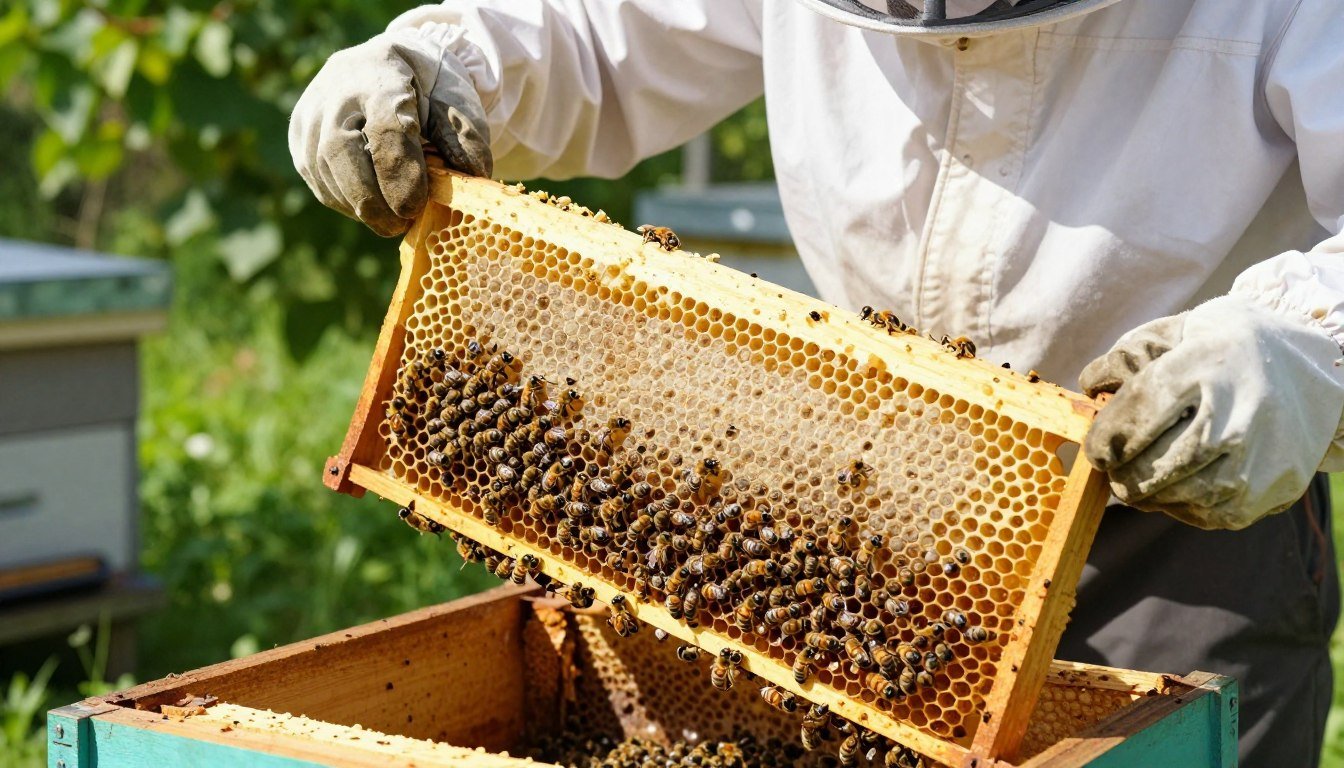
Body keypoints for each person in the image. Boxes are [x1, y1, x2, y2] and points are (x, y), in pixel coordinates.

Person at [289, 2, 1344, 764]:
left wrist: (1298, 349)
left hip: (1181, 498)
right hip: (864, 505)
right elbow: (606, 30)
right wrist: (447, 62)